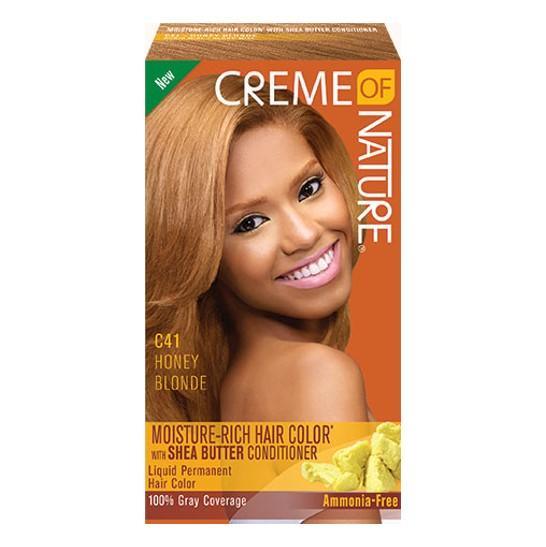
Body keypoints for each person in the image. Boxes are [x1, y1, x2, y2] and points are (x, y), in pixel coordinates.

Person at [146, 75, 379, 523]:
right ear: (199, 255)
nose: (304, 234)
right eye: (250, 223)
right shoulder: (316, 377)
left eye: (309, 189)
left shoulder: (239, 388)